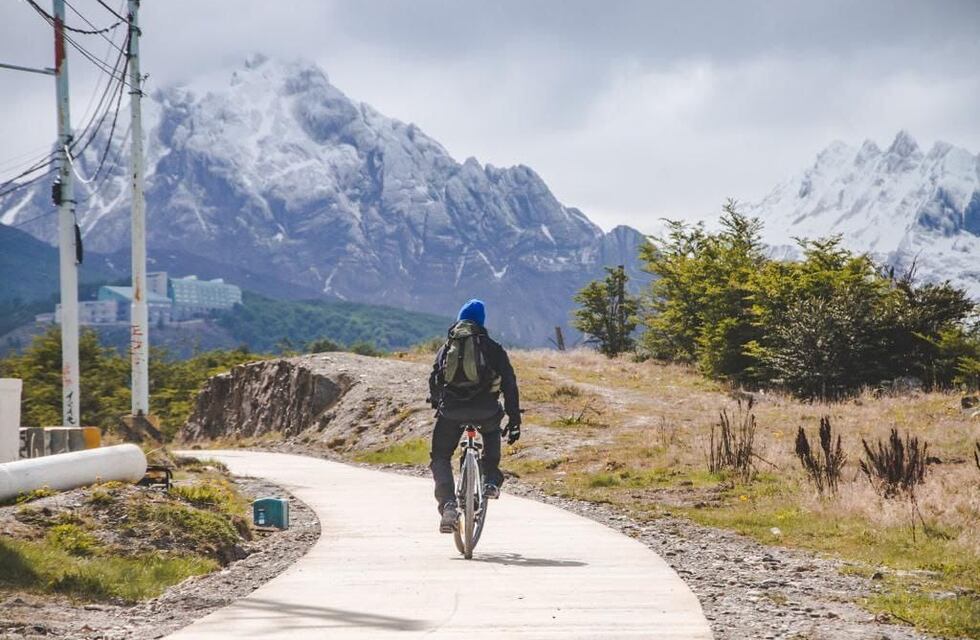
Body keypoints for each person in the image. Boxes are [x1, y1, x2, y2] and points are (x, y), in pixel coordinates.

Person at [428, 298, 521, 533]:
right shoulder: (493, 348)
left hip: (451, 412)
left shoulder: (447, 347)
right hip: (486, 410)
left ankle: (448, 504)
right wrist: (514, 419)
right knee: (491, 432)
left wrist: (438, 403)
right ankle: (490, 480)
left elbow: (434, 380)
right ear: (482, 322)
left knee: (440, 456)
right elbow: (510, 384)